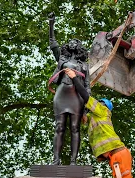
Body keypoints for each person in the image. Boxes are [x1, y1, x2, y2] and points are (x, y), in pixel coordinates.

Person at [64, 68, 133, 178]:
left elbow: (86, 97)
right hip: (115, 156)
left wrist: (74, 78)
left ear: (103, 105)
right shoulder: (94, 118)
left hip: (118, 155)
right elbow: (83, 115)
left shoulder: (103, 111)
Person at [48, 12, 91, 165]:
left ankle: (73, 162)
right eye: (70, 41)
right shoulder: (61, 58)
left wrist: (87, 108)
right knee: (59, 127)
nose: (73, 42)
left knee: (75, 128)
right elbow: (52, 43)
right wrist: (51, 23)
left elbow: (87, 87)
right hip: (61, 94)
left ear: (79, 47)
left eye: (76, 41)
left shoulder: (84, 65)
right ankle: (56, 160)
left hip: (76, 98)